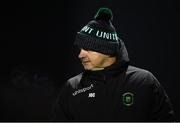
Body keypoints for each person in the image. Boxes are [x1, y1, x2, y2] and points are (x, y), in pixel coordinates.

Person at [52, 8, 175, 121]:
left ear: (108, 50)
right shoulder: (72, 88)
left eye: (88, 49)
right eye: (80, 49)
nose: (80, 55)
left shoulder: (143, 82)